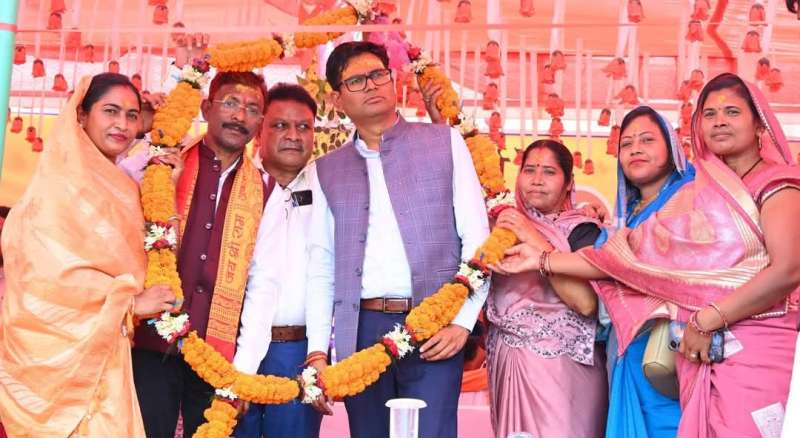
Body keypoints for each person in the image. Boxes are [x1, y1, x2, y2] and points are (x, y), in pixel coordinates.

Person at [494, 73, 800, 437]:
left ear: (759, 124)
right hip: (693, 349)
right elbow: (623, 257)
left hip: (754, 345)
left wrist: (709, 318)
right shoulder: (699, 197)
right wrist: (542, 260)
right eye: (710, 114)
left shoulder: (777, 185)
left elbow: (788, 270)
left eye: (732, 112)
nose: (719, 121)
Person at [305, 41, 490, 438]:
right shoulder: (326, 170)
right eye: (356, 80)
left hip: (436, 326)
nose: (371, 85)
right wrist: (317, 352)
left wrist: (462, 322)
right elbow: (321, 266)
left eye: (378, 74)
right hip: (361, 331)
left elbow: (478, 239)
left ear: (392, 81)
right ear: (337, 99)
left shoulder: (444, 143)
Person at [0, 73, 176, 437]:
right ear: (81, 115)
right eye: (110, 111)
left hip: (107, 354)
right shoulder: (56, 185)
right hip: (55, 356)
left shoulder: (123, 186)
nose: (122, 124)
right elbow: (45, 278)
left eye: (131, 115)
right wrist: (129, 303)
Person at [131, 71, 269, 438]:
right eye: (230, 103)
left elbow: (262, 282)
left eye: (252, 108)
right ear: (206, 108)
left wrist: (243, 367)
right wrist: (144, 133)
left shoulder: (264, 189)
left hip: (216, 353)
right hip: (149, 339)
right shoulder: (162, 161)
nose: (239, 115)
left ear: (260, 121)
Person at [487, 140, 607, 438]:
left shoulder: (584, 230)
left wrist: (532, 237)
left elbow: (586, 303)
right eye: (529, 170)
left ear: (568, 184)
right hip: (510, 363)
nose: (537, 179)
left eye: (549, 172)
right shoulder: (500, 227)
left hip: (565, 372)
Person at [232, 83, 327, 438]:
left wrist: (318, 354)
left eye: (303, 127)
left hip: (298, 353)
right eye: (280, 125)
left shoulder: (328, 188)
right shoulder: (236, 185)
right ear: (259, 131)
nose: (293, 136)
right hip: (233, 347)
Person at [596, 106, 692, 438]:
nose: (635, 149)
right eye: (627, 144)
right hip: (628, 352)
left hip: (671, 351)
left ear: (672, 149)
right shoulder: (624, 219)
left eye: (647, 140)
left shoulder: (688, 200)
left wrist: (544, 259)